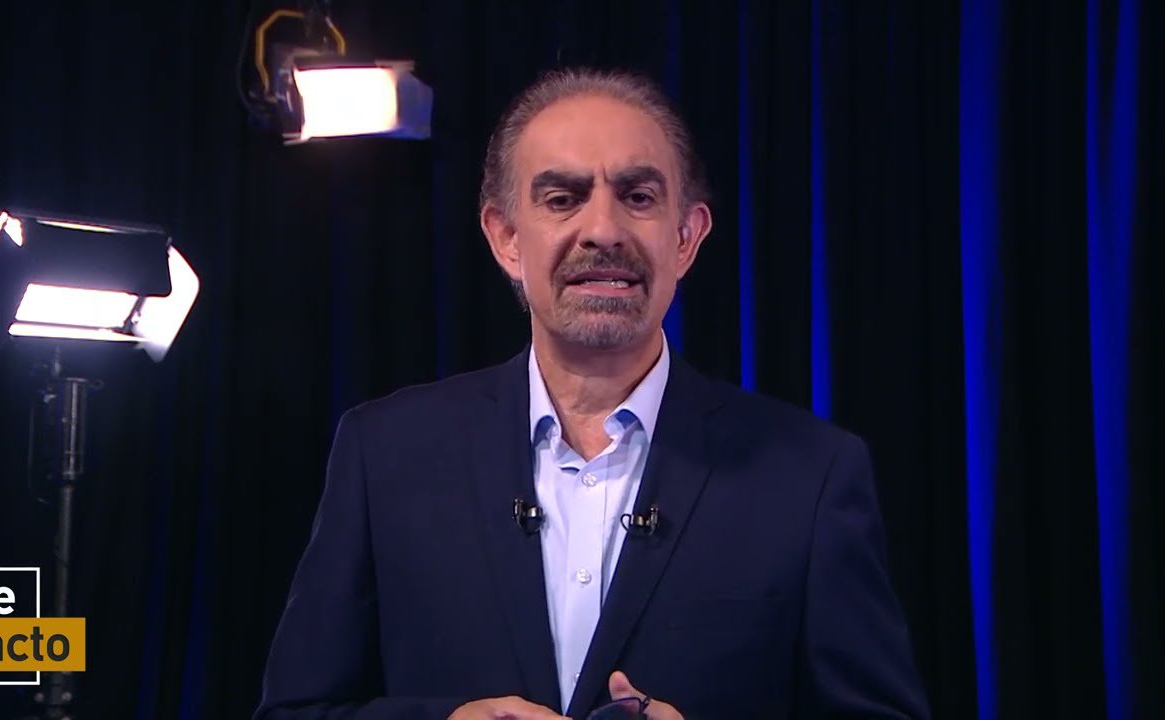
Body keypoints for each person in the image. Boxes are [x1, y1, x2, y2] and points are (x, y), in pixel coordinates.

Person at [255, 68, 929, 720]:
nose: (603, 230)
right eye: (562, 198)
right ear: (506, 238)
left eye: (638, 197)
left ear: (687, 237)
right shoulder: (385, 454)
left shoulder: (812, 475)